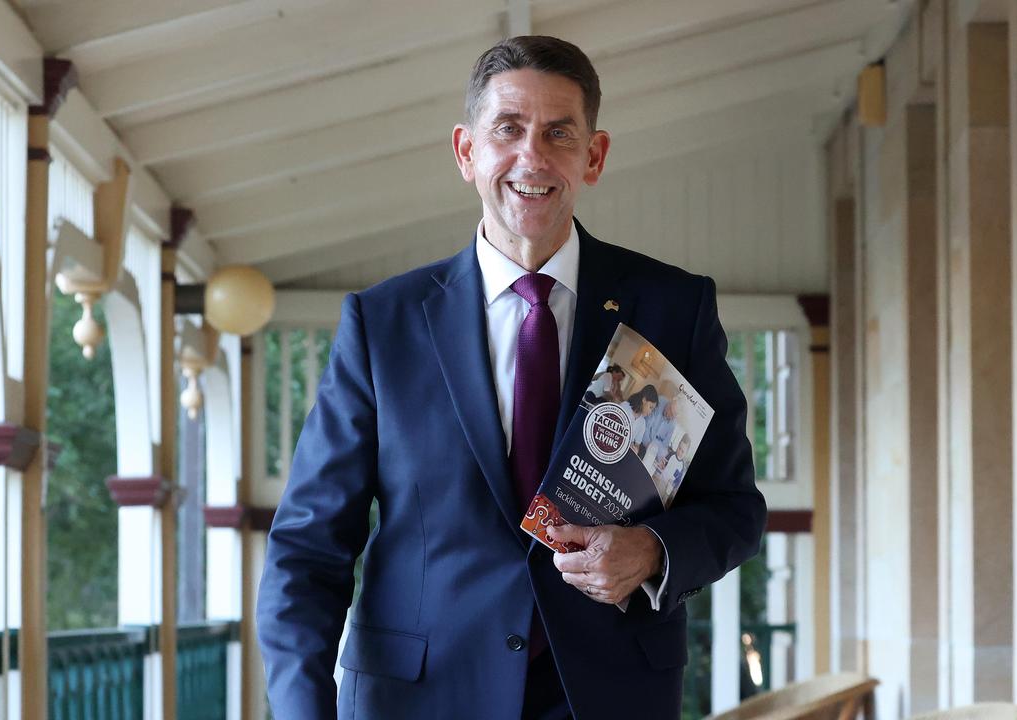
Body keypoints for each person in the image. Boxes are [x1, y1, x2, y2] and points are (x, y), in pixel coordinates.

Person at [256, 35, 766, 720]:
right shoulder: (384, 324)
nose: (533, 157)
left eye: (560, 134)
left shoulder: (673, 310)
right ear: (467, 151)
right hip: (418, 700)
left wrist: (651, 551)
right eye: (509, 129)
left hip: (607, 696)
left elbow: (734, 505)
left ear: (595, 155)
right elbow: (307, 551)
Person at [622, 384, 658, 456]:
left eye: (652, 409)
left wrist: (635, 449)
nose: (650, 412)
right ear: (644, 400)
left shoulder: (642, 423)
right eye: (650, 407)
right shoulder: (624, 407)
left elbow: (637, 444)